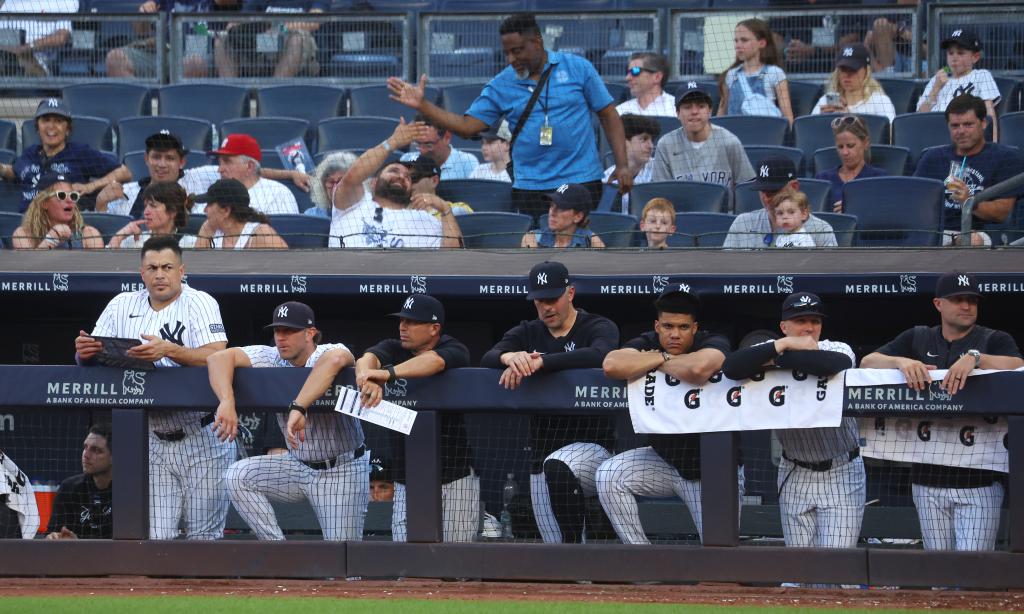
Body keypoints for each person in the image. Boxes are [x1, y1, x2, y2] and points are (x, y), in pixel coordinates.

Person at [386, 13, 631, 219]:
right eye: (507, 53)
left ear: (537, 42)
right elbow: (468, 126)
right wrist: (424, 105)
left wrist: (621, 165)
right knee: (533, 250)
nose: (511, 59)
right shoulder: (502, 83)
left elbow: (608, 114)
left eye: (517, 51)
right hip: (530, 185)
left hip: (581, 179)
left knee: (579, 247)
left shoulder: (578, 68)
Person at [74, 235, 233, 540]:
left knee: (204, 539)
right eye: (153, 268)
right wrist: (83, 351)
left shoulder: (199, 302)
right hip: (151, 437)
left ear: (181, 271)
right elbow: (91, 354)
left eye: (167, 267)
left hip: (201, 434)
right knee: (157, 537)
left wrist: (169, 350)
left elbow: (217, 354)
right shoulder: (122, 304)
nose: (160, 274)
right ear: (142, 273)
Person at [861, 272, 1023, 552]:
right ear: (938, 304)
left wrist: (976, 358)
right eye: (958, 299)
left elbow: (1017, 363)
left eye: (971, 300)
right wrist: (901, 361)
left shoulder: (993, 339)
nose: (966, 306)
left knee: (972, 570)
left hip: (980, 481)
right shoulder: (919, 337)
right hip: (927, 478)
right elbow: (867, 362)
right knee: (937, 571)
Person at [480, 261, 619, 543]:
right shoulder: (528, 331)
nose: (546, 307)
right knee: (555, 547)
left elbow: (600, 354)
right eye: (539, 300)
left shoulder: (596, 325)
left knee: (561, 466)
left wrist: (542, 361)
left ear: (570, 293)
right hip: (541, 455)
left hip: (594, 454)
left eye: (552, 298)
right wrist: (510, 357)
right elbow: (488, 357)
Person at [208, 301, 369, 541]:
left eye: (289, 331)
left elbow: (336, 360)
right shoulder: (271, 357)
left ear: (310, 333)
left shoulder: (328, 351)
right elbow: (218, 358)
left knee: (343, 564)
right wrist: (226, 400)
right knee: (238, 475)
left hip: (340, 470)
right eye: (277, 331)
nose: (281, 338)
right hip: (296, 467)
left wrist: (299, 406)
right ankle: (277, 549)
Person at [723, 292, 863, 551]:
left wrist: (777, 358)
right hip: (794, 470)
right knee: (799, 567)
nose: (809, 328)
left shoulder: (836, 347)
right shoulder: (771, 348)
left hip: (841, 469)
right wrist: (779, 348)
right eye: (800, 320)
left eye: (815, 320)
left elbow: (833, 364)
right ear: (784, 327)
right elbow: (731, 367)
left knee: (838, 567)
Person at [597, 287, 730, 544]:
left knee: (718, 555)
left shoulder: (712, 340)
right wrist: (668, 357)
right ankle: (641, 560)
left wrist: (655, 360)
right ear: (657, 326)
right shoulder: (647, 341)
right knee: (609, 473)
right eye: (668, 326)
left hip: (712, 469)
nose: (675, 334)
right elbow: (612, 365)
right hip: (665, 462)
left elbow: (699, 368)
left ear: (694, 328)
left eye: (683, 327)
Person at [355, 294, 477, 542]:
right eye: (402, 320)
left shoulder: (453, 348)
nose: (403, 327)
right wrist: (367, 376)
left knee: (458, 560)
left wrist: (385, 375)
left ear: (434, 328)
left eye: (412, 322)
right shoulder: (393, 347)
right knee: (407, 556)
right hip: (406, 478)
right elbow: (366, 358)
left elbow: (433, 362)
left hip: (454, 476)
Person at [330, 120, 463, 249]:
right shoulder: (355, 203)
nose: (401, 176)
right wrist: (392, 143)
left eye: (409, 177)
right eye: (394, 171)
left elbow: (452, 258)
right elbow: (352, 176)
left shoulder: (424, 220)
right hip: (347, 270)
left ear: (411, 190)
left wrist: (445, 209)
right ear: (374, 182)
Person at [914, 95, 1023, 246]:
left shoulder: (1005, 157)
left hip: (983, 231)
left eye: (968, 124)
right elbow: (916, 204)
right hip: (939, 231)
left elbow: (1002, 212)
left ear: (983, 123)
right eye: (955, 126)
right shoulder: (932, 158)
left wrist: (969, 202)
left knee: (972, 240)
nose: (961, 131)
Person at [0, 99, 127, 213]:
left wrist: (90, 186)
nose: (51, 126)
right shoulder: (30, 154)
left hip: (66, 225)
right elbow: (15, 171)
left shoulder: (79, 153)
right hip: (27, 223)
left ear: (67, 130)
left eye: (58, 121)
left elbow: (124, 172)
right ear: (37, 127)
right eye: (46, 120)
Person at [651, 82, 755, 206]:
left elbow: (747, 191)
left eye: (701, 106)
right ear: (677, 113)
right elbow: (660, 197)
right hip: (680, 220)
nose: (694, 111)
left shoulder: (729, 142)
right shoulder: (666, 145)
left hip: (723, 220)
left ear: (710, 111)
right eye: (687, 107)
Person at [723, 156, 838, 249]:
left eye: (773, 191)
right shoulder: (742, 224)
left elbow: (828, 275)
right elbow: (726, 271)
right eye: (762, 190)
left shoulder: (821, 230)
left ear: (794, 187)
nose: (766, 198)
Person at [104, 0, 236, 79]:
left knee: (194, 63)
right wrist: (144, 13)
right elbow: (141, 31)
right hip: (163, 50)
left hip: (200, 50)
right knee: (115, 59)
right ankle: (143, 111)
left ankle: (177, 113)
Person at [917, 29, 1000, 141]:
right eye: (950, 53)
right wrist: (936, 89)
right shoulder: (935, 80)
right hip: (934, 137)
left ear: (975, 57)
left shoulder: (982, 76)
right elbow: (919, 117)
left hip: (966, 137)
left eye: (960, 53)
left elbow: (990, 115)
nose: (954, 58)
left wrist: (992, 145)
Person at [216, 0, 324, 78]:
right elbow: (241, 19)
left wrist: (281, 29)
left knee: (296, 39)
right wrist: (233, 27)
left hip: (300, 46)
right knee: (221, 39)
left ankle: (274, 94)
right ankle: (232, 96)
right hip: (266, 43)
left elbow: (314, 21)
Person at [199, 133, 299, 216]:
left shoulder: (278, 194)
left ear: (250, 166)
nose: (220, 169)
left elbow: (285, 238)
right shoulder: (212, 190)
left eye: (227, 162)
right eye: (219, 162)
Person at [719, 19, 794, 126]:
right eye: (736, 41)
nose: (738, 45)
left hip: (764, 138)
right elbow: (721, 115)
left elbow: (787, 116)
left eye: (744, 40)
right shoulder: (730, 75)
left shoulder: (774, 73)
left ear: (762, 43)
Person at [45, 424, 113, 540]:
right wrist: (55, 538)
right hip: (75, 557)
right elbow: (53, 534)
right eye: (85, 447)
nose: (86, 455)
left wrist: (80, 545)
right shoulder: (69, 488)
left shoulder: (127, 493)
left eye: (96, 450)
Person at [814, 115, 887, 212]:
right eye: (840, 147)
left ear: (865, 143)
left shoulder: (879, 178)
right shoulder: (823, 179)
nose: (845, 152)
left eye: (850, 146)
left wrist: (855, 207)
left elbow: (885, 214)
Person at [12, 173, 103, 250]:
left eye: (73, 196)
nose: (69, 200)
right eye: (61, 195)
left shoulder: (89, 234)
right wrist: (52, 238)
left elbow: (97, 269)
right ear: (44, 203)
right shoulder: (23, 234)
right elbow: (27, 268)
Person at [192, 178, 288, 249]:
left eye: (209, 204)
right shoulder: (208, 228)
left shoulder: (261, 234)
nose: (204, 210)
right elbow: (195, 269)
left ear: (226, 211)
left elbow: (290, 270)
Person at [811, 44, 896, 121]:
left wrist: (850, 119)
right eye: (843, 69)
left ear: (867, 71)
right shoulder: (828, 100)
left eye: (853, 69)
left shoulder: (879, 101)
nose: (847, 75)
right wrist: (821, 120)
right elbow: (809, 132)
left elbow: (889, 134)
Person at [108, 181, 197, 249]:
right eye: (146, 206)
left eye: (153, 206)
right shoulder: (134, 240)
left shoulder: (191, 244)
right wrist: (117, 238)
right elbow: (106, 268)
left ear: (173, 211)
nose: (146, 212)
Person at [0, 0, 77, 77]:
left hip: (40, 58)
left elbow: (61, 37)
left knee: (25, 60)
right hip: (8, 55)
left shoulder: (64, 2)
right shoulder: (11, 2)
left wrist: (26, 48)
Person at [602, 114, 658, 215]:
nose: (651, 146)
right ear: (624, 142)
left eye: (652, 140)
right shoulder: (606, 179)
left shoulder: (659, 169)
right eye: (644, 139)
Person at [521, 183, 606, 249]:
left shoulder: (592, 243)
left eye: (561, 208)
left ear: (578, 216)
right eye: (551, 205)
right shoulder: (533, 238)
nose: (552, 212)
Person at [399, 114, 480, 180]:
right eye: (417, 144)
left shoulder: (467, 162)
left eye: (428, 145)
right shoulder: (407, 159)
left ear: (447, 138)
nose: (422, 151)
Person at [406, 155, 472, 216]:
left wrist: (442, 207)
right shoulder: (399, 210)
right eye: (405, 178)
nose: (408, 182)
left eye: (413, 177)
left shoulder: (456, 210)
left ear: (434, 181)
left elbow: (462, 212)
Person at [306, 151, 363, 219]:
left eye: (341, 181)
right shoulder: (312, 215)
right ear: (323, 186)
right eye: (331, 181)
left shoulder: (366, 212)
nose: (336, 187)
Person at [616, 52, 675, 117]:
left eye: (635, 71)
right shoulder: (621, 111)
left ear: (657, 77)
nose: (627, 78)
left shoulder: (676, 108)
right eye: (628, 72)